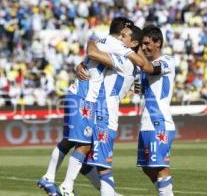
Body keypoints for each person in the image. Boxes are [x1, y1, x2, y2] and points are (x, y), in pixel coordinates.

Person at [37, 17, 145, 196]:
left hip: (80, 95)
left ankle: (49, 178)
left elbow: (93, 54)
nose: (125, 38)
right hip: (85, 97)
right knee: (85, 144)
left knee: (70, 141)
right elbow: (137, 62)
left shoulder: (103, 42)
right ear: (121, 34)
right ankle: (66, 186)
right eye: (125, 34)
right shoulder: (117, 45)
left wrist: (87, 55)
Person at [137, 24, 176, 196]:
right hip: (146, 122)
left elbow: (150, 69)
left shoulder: (166, 61)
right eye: (142, 44)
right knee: (146, 167)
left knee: (160, 167)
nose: (143, 47)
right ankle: (165, 191)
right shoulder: (143, 68)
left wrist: (132, 51)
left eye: (146, 43)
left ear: (158, 42)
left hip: (159, 121)